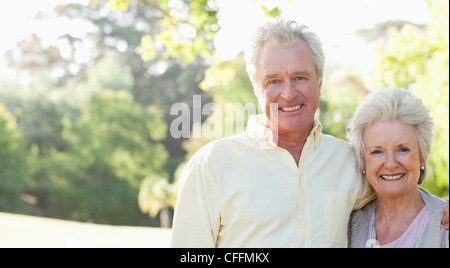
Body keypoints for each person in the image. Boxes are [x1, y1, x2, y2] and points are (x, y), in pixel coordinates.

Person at [171, 18, 449, 248]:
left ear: (319, 81)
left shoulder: (349, 160)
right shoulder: (212, 166)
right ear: (257, 89)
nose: (288, 93)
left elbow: (398, 183)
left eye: (300, 77)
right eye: (273, 81)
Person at [346, 88, 449, 248]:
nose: (391, 164)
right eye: (377, 151)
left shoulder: (444, 226)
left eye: (403, 149)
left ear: (422, 155)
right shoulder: (348, 227)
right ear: (364, 160)